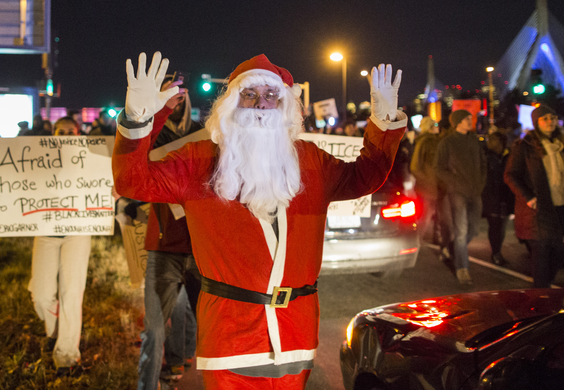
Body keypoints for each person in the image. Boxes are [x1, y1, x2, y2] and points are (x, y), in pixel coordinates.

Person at [112, 51, 408, 389]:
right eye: (249, 94)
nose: (260, 104)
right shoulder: (198, 161)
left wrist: (384, 121)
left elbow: (366, 177)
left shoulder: (310, 161)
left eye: (271, 95)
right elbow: (132, 181)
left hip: (296, 334)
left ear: (284, 106)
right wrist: (137, 121)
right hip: (230, 339)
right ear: (230, 104)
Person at [0, 116, 93, 373]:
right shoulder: (36, 157)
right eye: (60, 132)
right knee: (41, 294)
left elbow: (106, 185)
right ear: (52, 134)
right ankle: (55, 331)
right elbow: (14, 184)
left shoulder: (91, 159)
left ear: (78, 135)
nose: (65, 137)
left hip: (77, 232)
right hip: (45, 232)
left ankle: (67, 356)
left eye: (70, 132)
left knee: (71, 293)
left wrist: (113, 192)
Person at [134, 75, 204, 390]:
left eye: (179, 95)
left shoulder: (202, 135)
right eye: (167, 95)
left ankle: (194, 364)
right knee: (154, 329)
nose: (175, 101)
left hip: (201, 246)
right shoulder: (151, 134)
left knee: (213, 327)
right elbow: (134, 158)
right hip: (164, 246)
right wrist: (159, 110)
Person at [504, 105, 564, 288]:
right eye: (545, 118)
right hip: (540, 209)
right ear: (536, 123)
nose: (550, 121)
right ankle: (541, 294)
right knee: (542, 253)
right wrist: (528, 197)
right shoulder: (525, 146)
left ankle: (545, 283)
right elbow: (510, 175)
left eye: (553, 118)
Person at [435, 109, 486, 285]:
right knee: (461, 231)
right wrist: (455, 182)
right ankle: (462, 268)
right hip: (457, 192)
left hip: (475, 191)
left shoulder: (474, 140)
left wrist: (481, 183)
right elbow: (439, 168)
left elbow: (483, 163)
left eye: (470, 118)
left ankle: (451, 248)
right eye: (466, 119)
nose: (470, 121)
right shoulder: (447, 142)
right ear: (457, 122)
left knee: (473, 229)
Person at [410, 116, 450, 249]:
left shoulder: (436, 141)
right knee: (425, 218)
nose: (437, 128)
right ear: (430, 127)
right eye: (435, 125)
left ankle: (439, 241)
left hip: (438, 187)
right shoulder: (424, 142)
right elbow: (415, 167)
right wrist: (427, 183)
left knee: (441, 218)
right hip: (428, 189)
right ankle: (415, 243)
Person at [481, 131, 515, 266]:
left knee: (502, 225)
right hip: (491, 195)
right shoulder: (486, 155)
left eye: (493, 140)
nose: (489, 142)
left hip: (506, 195)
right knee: (494, 225)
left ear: (501, 142)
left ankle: (497, 251)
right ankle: (495, 252)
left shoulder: (509, 156)